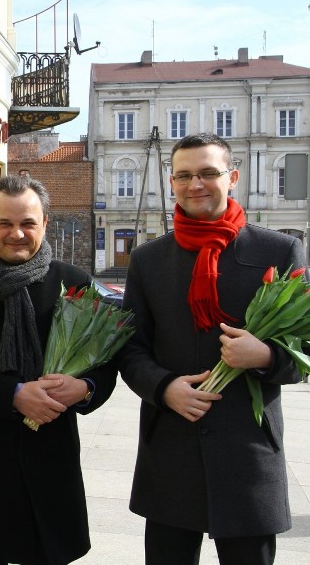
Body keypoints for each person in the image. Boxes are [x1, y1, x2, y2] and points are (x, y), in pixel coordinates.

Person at [118, 133, 306, 565]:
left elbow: (304, 348)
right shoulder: (149, 259)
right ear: (171, 182)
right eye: (183, 175)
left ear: (232, 177)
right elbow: (129, 348)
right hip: (171, 451)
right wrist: (164, 388)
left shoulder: (279, 251)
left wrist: (266, 357)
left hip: (247, 457)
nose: (195, 184)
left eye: (208, 173)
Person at [0, 175, 117, 565]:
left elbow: (106, 363)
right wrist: (13, 395)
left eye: (27, 223)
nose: (16, 233)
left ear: (45, 223)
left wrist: (85, 388)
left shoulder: (74, 284)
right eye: (4, 223)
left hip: (52, 459)